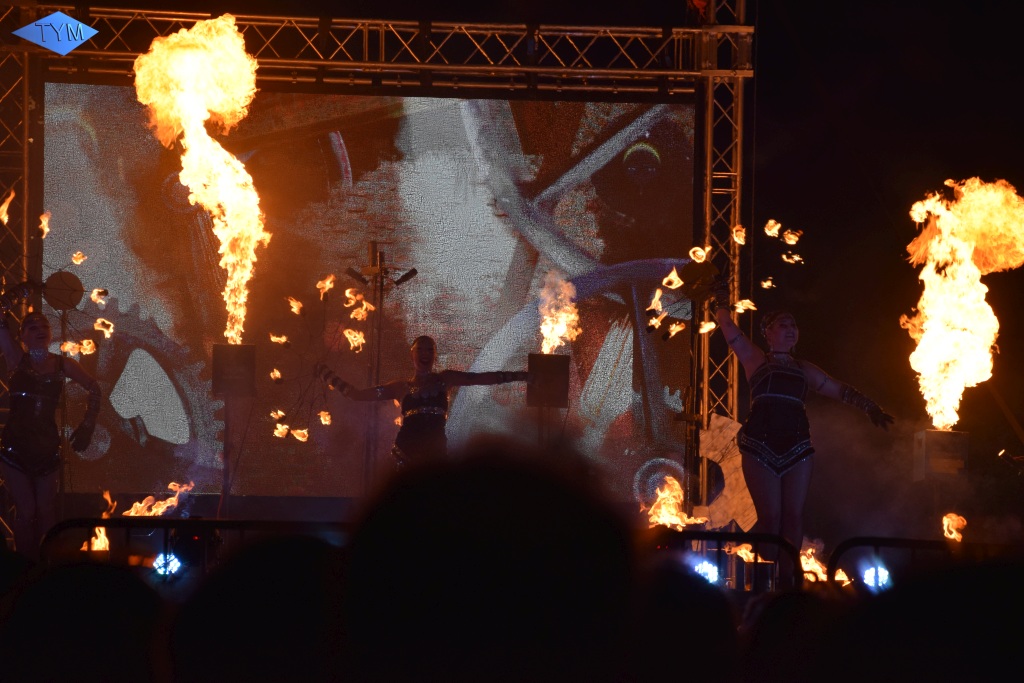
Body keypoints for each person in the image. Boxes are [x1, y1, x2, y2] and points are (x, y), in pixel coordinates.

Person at [713, 300, 892, 584]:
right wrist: (721, 301)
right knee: (771, 518)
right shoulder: (756, 359)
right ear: (768, 333)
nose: (791, 329)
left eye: (793, 325)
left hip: (797, 448)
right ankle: (762, 579)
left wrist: (870, 407)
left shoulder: (803, 369)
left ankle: (787, 583)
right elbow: (727, 326)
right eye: (783, 325)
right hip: (761, 446)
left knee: (793, 517)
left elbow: (839, 389)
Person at [316, 335, 528, 469]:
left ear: (435, 355)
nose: (425, 354)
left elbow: (480, 378)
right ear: (412, 354)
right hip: (404, 454)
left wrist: (520, 375)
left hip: (435, 454)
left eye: (430, 350)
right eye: (420, 349)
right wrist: (327, 375)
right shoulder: (399, 387)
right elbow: (357, 395)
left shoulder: (446, 379)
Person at [0, 309, 101, 560]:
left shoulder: (61, 364)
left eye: (44, 326)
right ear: (22, 337)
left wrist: (88, 424)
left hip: (46, 447)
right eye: (32, 328)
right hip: (16, 447)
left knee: (46, 511)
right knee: (26, 510)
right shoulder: (16, 360)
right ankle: (23, 567)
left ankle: (48, 565)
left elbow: (94, 388)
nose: (40, 330)